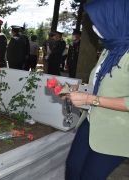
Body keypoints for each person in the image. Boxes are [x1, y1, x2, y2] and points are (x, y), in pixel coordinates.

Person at [62, 0, 129, 179]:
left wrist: (90, 100)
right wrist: (81, 90)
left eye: (98, 21)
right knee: (72, 167)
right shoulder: (111, 48)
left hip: (117, 130)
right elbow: (102, 84)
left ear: (115, 21)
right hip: (92, 120)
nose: (94, 27)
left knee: (90, 176)